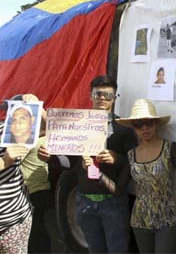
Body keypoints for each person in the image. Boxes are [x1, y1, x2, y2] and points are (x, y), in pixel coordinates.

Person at [96, 98, 176, 253]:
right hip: (140, 221)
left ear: (156, 124)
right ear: (133, 128)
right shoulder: (131, 155)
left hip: (167, 220)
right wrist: (98, 174)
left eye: (148, 122)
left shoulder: (170, 148)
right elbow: (119, 189)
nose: (144, 128)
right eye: (138, 124)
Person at [38, 75, 138, 253]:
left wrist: (117, 158)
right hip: (85, 202)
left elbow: (135, 163)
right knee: (95, 250)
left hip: (113, 203)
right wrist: (50, 157)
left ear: (114, 99)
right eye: (98, 94)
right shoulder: (78, 125)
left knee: (118, 250)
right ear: (90, 95)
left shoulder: (123, 129)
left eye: (108, 95)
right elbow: (69, 162)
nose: (102, 98)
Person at [0, 94, 42, 253]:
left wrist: (37, 107)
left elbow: (47, 128)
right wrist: (4, 161)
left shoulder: (7, 131)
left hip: (14, 221)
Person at [21, 137, 52, 254]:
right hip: (40, 189)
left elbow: (12, 160)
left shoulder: (29, 141)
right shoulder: (43, 138)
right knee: (38, 229)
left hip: (31, 190)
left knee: (34, 232)